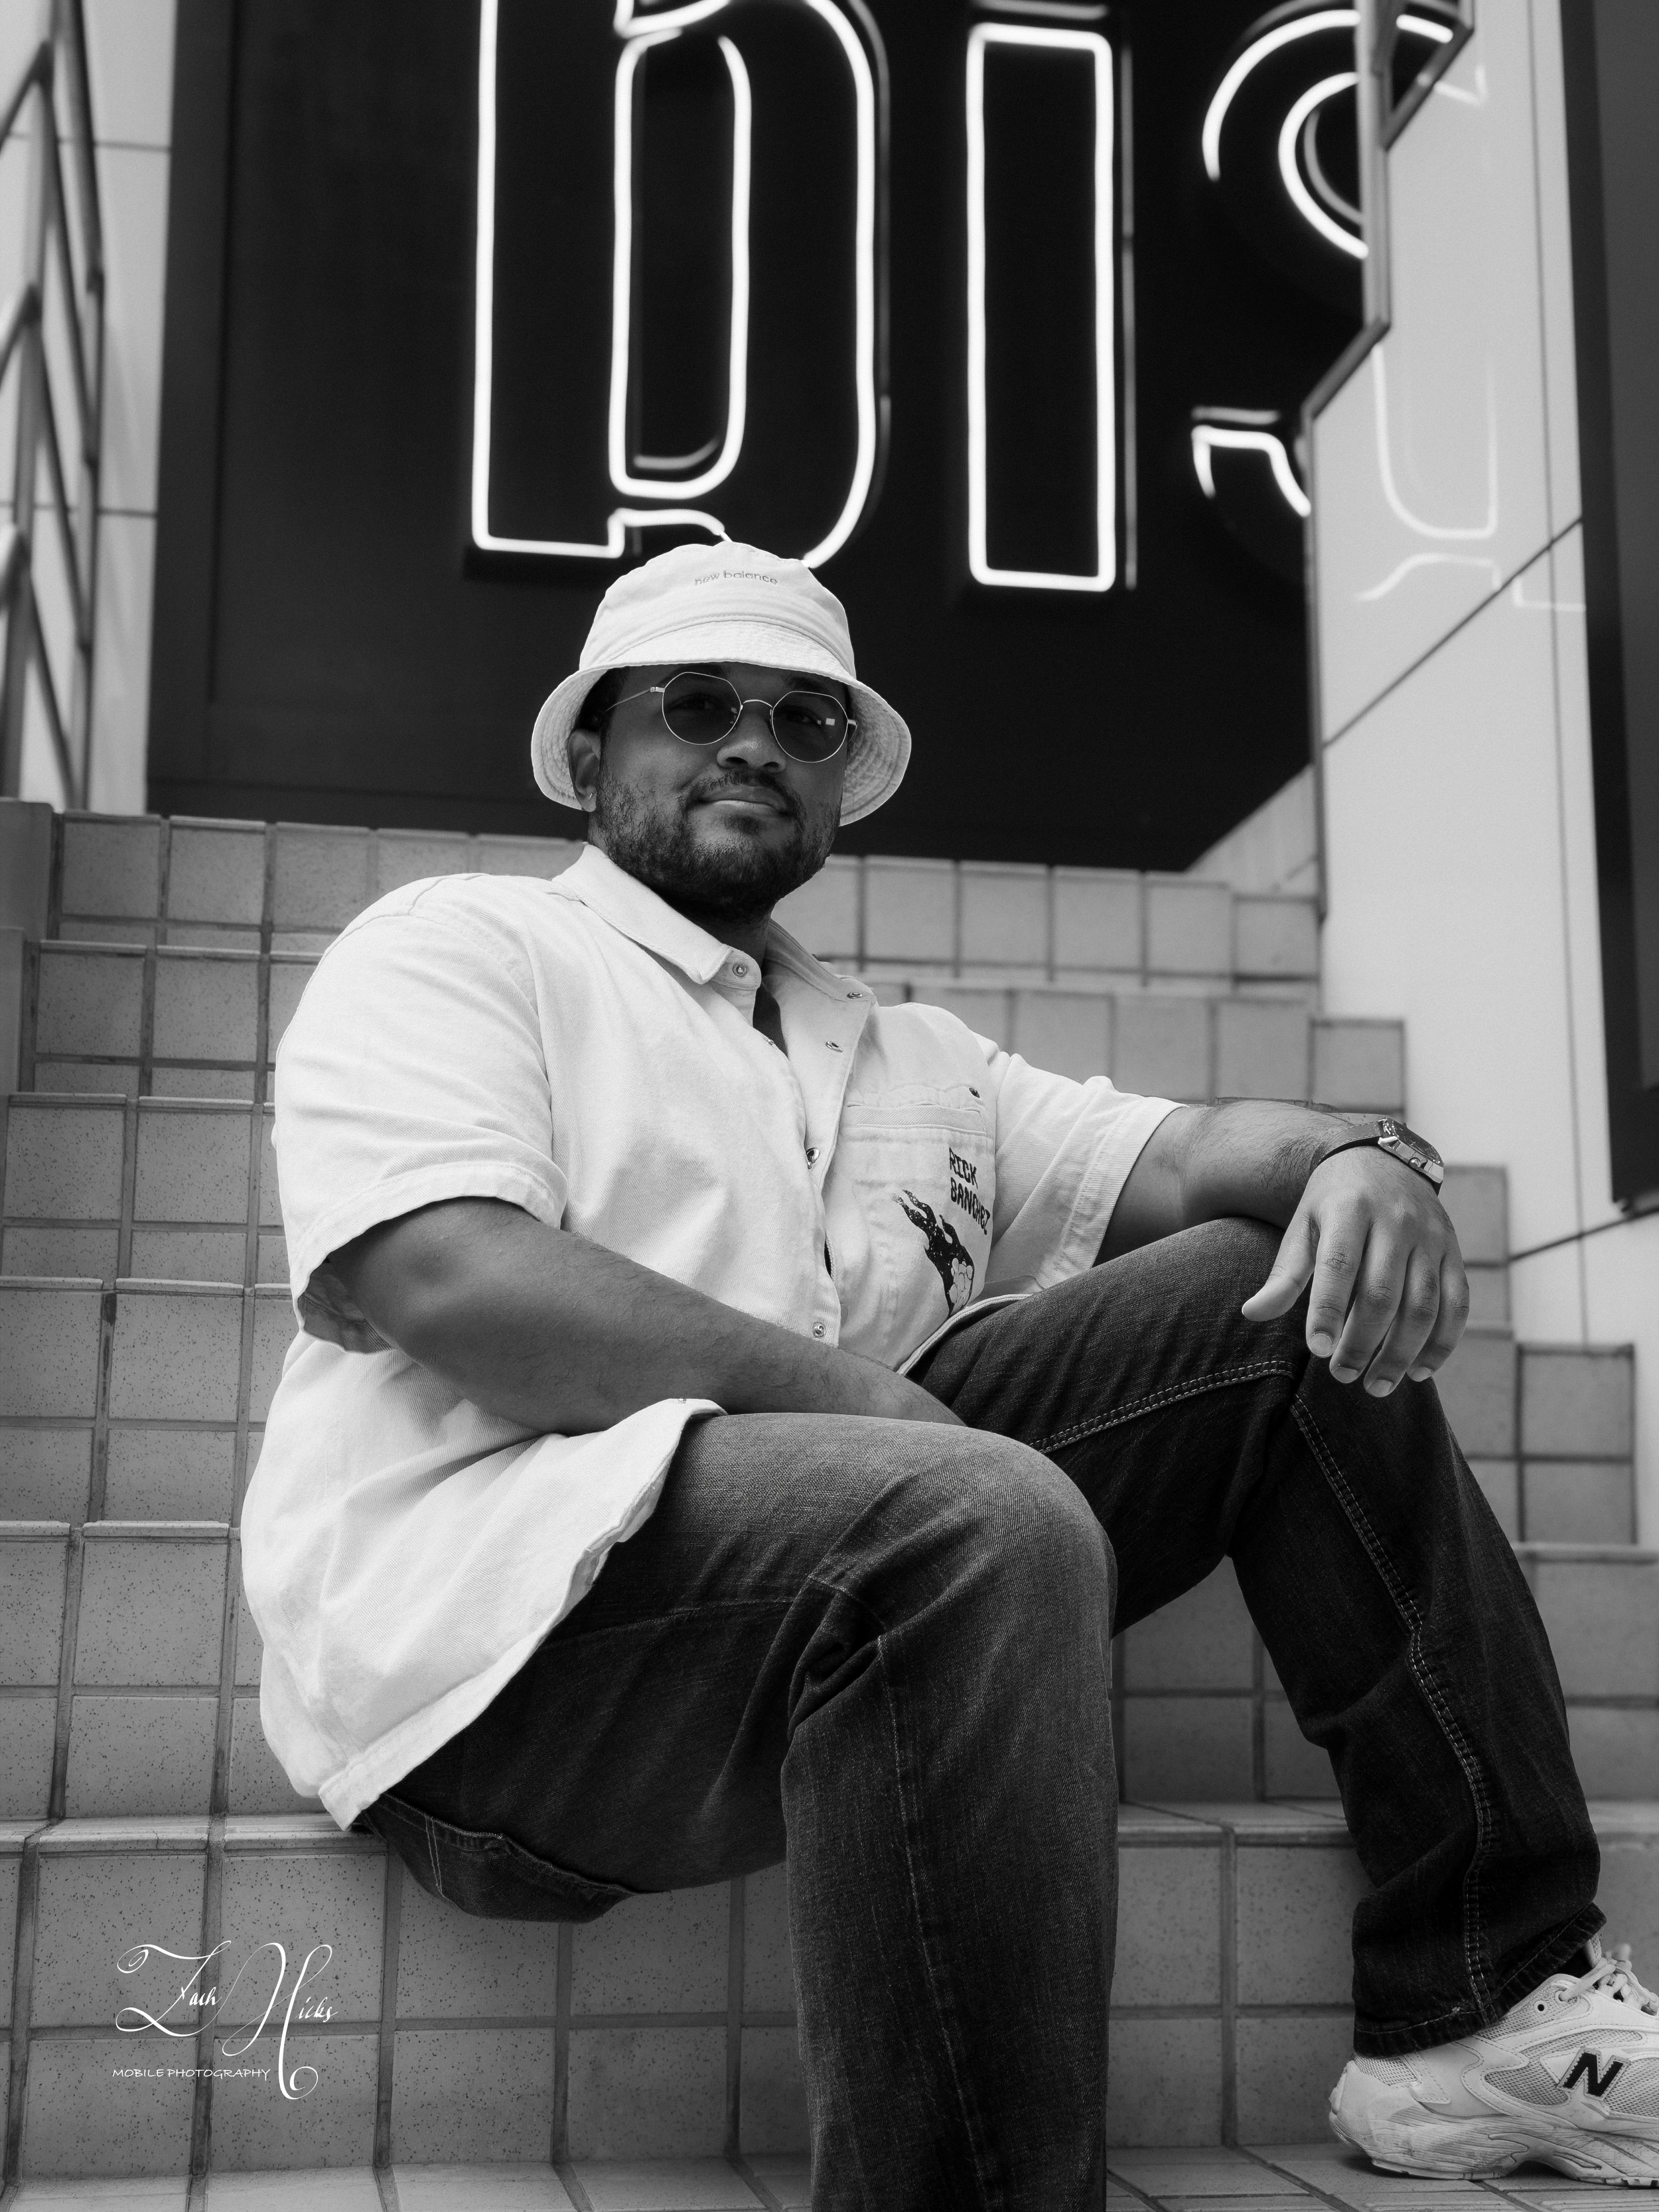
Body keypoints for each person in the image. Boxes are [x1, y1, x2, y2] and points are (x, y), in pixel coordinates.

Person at [244, 540, 1656, 2211]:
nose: (752, 739)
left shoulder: (902, 1052)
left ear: (842, 773)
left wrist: (1362, 1156)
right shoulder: (461, 947)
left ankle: (1479, 2005)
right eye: (696, 703)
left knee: (1261, 1295)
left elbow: (1195, 1154)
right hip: (501, 1660)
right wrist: (879, 1413)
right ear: (590, 749)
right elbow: (444, 1273)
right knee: (970, 1506)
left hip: (861, 1566)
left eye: (802, 716)